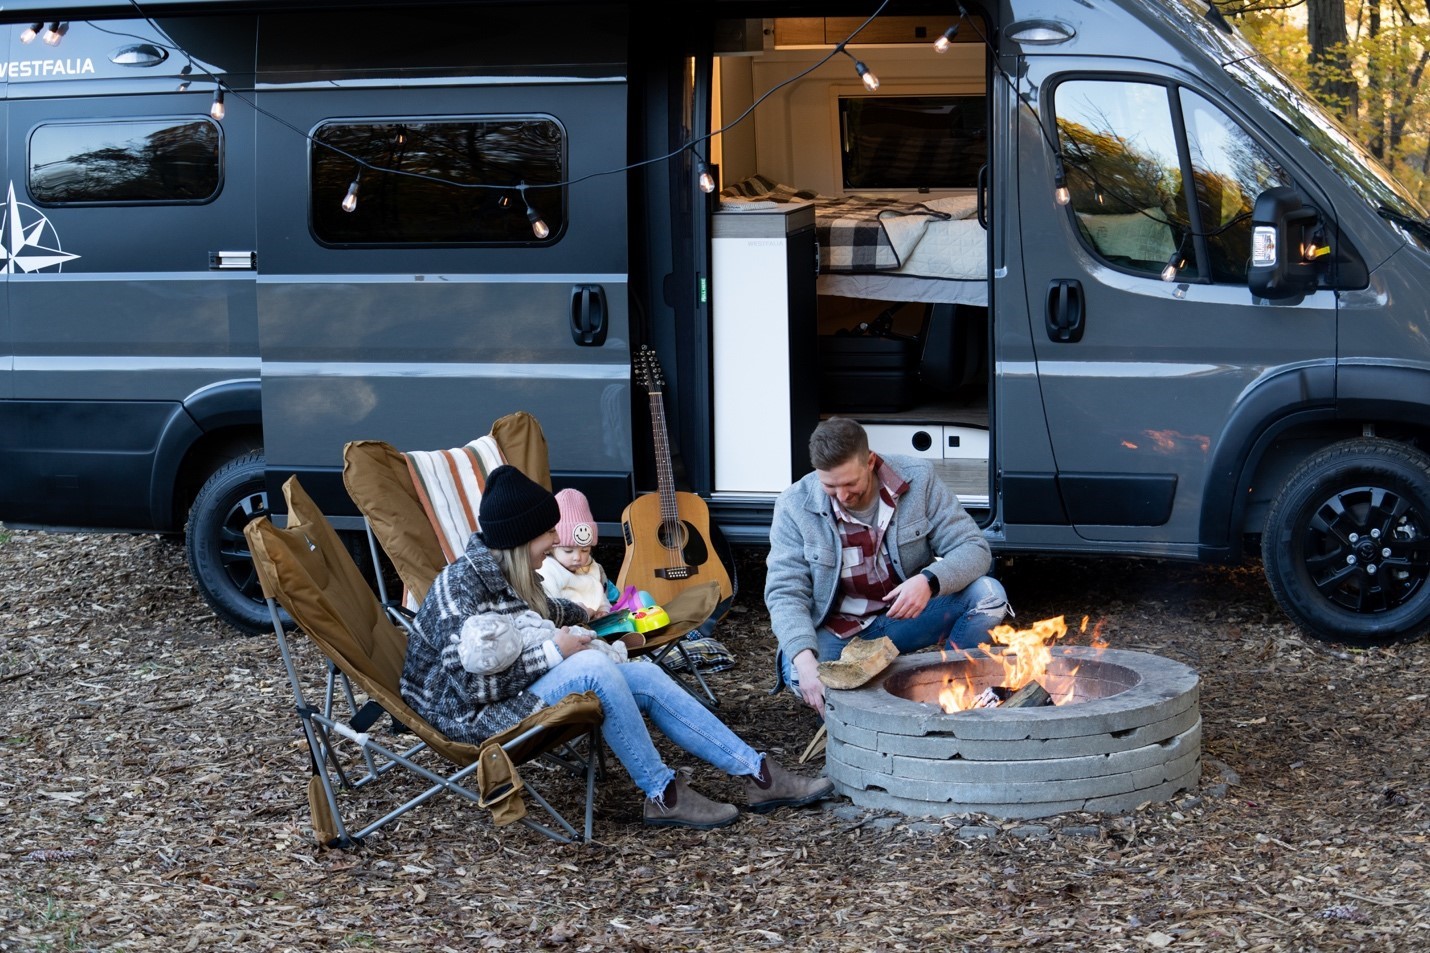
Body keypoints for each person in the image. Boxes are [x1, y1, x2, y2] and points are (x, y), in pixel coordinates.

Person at [402, 464, 835, 830]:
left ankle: (756, 772)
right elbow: (471, 690)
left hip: (505, 693)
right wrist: (556, 652)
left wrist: (584, 615)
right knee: (592, 667)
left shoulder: (502, 574)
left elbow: (540, 613)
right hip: (468, 717)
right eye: (547, 534)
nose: (556, 542)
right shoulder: (459, 590)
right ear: (520, 539)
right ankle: (661, 792)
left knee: (643, 674)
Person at [766, 417, 1010, 717]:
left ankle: (952, 692)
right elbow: (784, 593)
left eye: (850, 483)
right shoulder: (794, 505)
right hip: (838, 631)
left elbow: (973, 548)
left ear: (870, 461)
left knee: (988, 594)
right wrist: (805, 664)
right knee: (799, 674)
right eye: (830, 486)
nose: (842, 496)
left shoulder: (918, 478)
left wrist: (929, 581)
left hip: (903, 618)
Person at [539, 488, 617, 616]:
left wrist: (603, 610)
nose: (577, 557)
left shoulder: (590, 567)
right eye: (568, 551)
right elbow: (551, 607)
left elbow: (598, 593)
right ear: (551, 548)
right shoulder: (547, 569)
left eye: (585, 550)